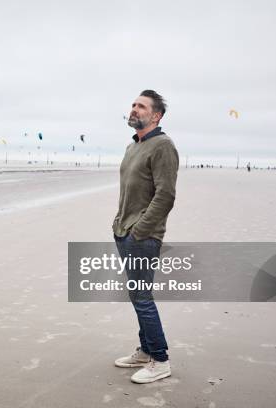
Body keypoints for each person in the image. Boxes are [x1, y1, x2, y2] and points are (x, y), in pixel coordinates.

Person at [112, 90, 179, 384]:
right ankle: (145, 351)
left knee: (142, 297)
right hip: (124, 231)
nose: (134, 109)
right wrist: (120, 225)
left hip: (143, 236)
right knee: (137, 295)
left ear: (156, 116)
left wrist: (140, 230)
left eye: (141, 106)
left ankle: (160, 359)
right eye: (133, 104)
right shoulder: (133, 146)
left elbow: (165, 196)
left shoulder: (163, 146)